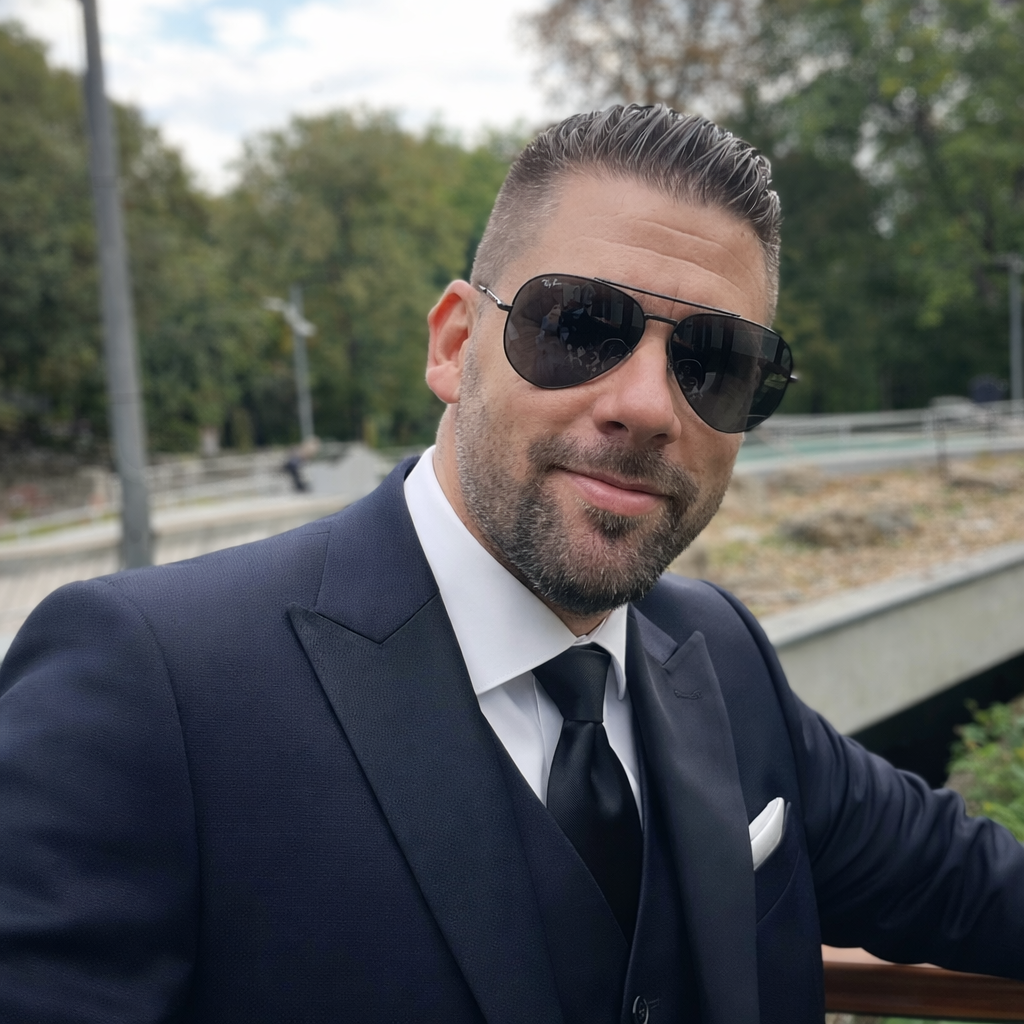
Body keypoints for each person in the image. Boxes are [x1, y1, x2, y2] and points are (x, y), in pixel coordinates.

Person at [1, 105, 1021, 1024]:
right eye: (579, 326)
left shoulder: (721, 652)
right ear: (454, 344)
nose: (648, 406)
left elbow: (971, 889)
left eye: (712, 363)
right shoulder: (149, 684)